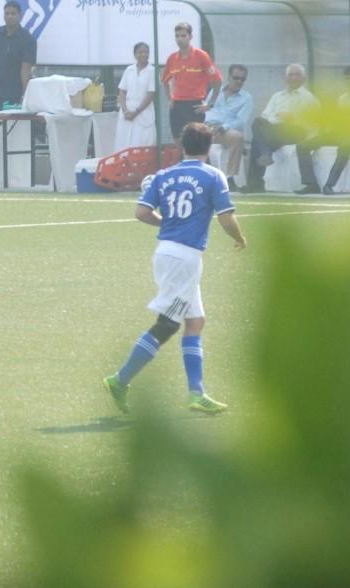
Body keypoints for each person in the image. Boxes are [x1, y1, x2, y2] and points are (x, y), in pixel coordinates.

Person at [103, 122, 247, 415]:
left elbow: (141, 212)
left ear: (183, 146)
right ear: (209, 148)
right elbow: (226, 218)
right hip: (184, 258)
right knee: (167, 324)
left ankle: (197, 393)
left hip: (168, 252)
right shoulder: (212, 175)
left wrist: (167, 222)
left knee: (195, 321)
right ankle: (119, 379)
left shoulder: (164, 175)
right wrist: (240, 238)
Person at [243, 63, 320, 194]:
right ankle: (264, 155)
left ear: (304, 79)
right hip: (274, 130)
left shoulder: (308, 98)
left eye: (297, 74)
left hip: (295, 131)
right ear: (285, 78)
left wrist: (293, 118)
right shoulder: (277, 96)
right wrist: (275, 120)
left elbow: (312, 122)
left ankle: (256, 181)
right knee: (258, 124)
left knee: (259, 138)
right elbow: (265, 116)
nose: (293, 77)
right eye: (290, 74)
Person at [161, 22, 221, 143]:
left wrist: (210, 104)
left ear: (190, 37)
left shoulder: (201, 56)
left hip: (195, 106)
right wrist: (170, 98)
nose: (180, 39)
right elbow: (164, 81)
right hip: (177, 105)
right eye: (177, 36)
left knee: (196, 143)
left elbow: (217, 81)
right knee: (178, 141)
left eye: (183, 35)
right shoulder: (172, 58)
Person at [294, 65, 349, 195]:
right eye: (347, 79)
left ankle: (329, 185)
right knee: (303, 146)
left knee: (345, 146)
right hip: (338, 133)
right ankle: (311, 184)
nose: (349, 82)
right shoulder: (342, 98)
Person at [204, 64, 254, 191]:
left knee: (237, 137)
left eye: (242, 79)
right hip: (207, 126)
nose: (239, 81)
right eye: (236, 78)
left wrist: (223, 127)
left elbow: (241, 121)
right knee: (188, 133)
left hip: (224, 131)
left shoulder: (246, 98)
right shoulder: (216, 91)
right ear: (228, 77)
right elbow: (206, 109)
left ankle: (230, 178)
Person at [114, 42, 156, 151]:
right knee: (123, 145)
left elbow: (151, 94)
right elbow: (122, 91)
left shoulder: (152, 71)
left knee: (141, 146)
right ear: (135, 54)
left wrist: (136, 112)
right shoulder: (129, 70)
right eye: (140, 52)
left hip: (143, 113)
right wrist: (125, 110)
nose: (143, 54)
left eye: (146, 52)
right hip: (127, 113)